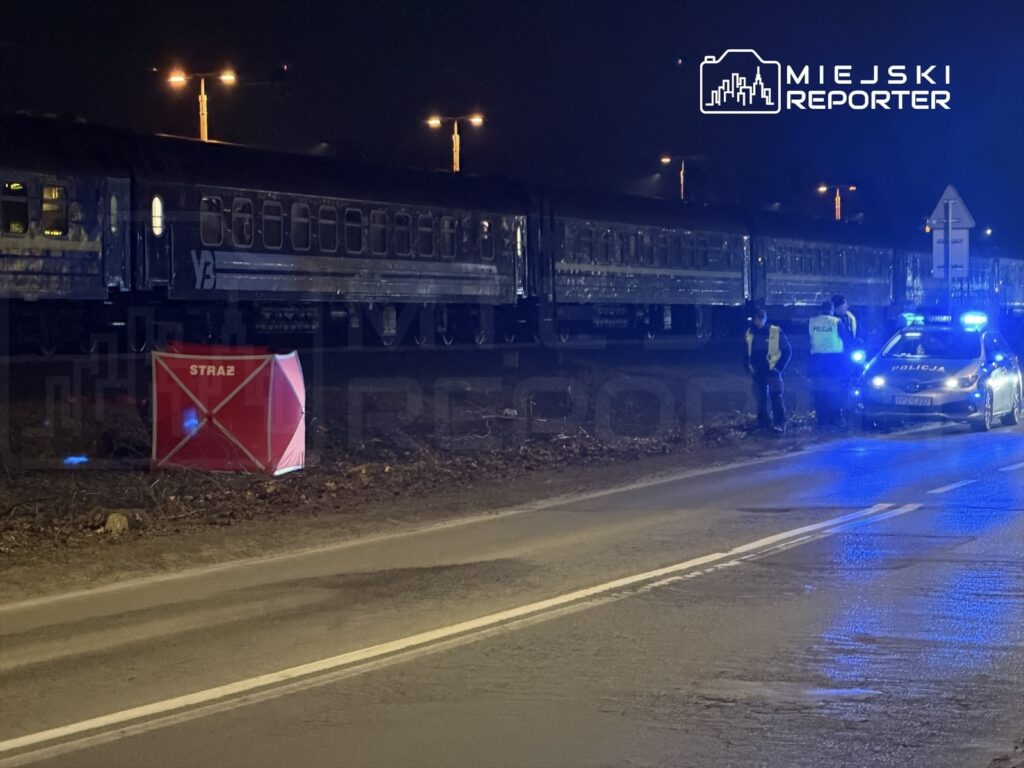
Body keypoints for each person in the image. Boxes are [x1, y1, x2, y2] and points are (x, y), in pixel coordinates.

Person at [744, 307, 792, 433]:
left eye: (759, 319)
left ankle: (779, 423)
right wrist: (747, 365)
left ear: (764, 319)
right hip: (757, 370)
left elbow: (787, 351)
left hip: (772, 370)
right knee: (760, 397)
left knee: (776, 396)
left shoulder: (775, 331)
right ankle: (764, 421)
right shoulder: (750, 332)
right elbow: (746, 350)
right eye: (755, 319)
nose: (757, 322)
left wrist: (779, 367)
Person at [808, 299, 853, 428]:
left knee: (819, 391)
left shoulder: (812, 322)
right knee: (834, 390)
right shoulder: (836, 322)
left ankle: (821, 420)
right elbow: (846, 341)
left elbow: (809, 339)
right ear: (832, 310)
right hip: (834, 360)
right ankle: (834, 420)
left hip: (816, 360)